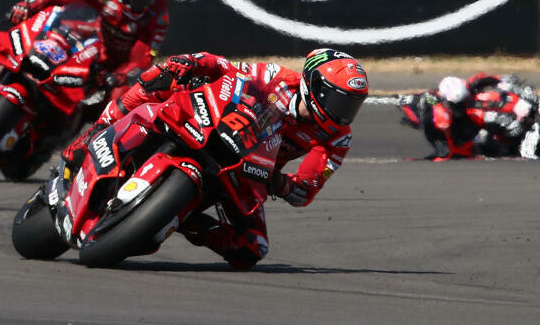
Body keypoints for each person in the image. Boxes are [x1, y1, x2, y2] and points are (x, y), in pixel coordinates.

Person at [62, 48, 369, 269]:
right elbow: (224, 67)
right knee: (156, 81)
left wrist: (286, 185)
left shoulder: (337, 138)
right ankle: (95, 133)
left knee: (252, 249)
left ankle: (181, 220)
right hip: (208, 126)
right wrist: (191, 63)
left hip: (247, 173)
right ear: (312, 85)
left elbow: (307, 187)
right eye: (338, 100)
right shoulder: (276, 76)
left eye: (351, 105)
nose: (342, 113)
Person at [6, 0, 168, 100]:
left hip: (120, 64)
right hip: (94, 42)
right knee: (63, 27)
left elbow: (144, 56)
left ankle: (99, 130)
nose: (138, 4)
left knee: (122, 95)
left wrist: (120, 77)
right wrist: (29, 5)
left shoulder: (159, 14)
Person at [402, 73, 531, 160]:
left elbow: (484, 78)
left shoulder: (468, 87)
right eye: (456, 104)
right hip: (451, 135)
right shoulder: (435, 108)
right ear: (445, 100)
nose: (460, 106)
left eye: (463, 101)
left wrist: (503, 80)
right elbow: (407, 103)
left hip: (471, 118)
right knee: (479, 142)